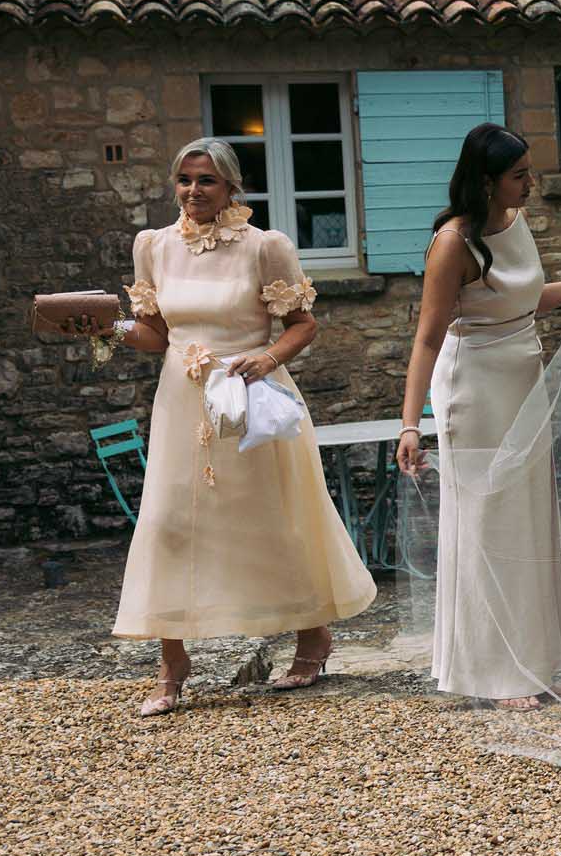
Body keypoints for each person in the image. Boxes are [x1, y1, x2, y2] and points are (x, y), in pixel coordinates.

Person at [111, 138, 375, 716]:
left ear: (233, 186)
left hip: (252, 398)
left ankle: (313, 636)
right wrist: (102, 330)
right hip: (181, 402)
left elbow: (303, 324)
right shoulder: (152, 246)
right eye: (184, 179)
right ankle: (172, 660)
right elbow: (154, 335)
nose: (193, 191)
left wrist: (267, 359)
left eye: (206, 180)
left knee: (277, 517)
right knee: (168, 521)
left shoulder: (266, 247)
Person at [395, 124, 561, 709]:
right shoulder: (453, 243)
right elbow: (426, 339)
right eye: (520, 174)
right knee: (487, 526)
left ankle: (536, 660)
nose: (531, 183)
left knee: (528, 523)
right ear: (486, 179)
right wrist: (409, 424)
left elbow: (529, 297)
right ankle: (495, 673)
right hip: (474, 390)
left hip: (523, 380)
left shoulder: (515, 223)